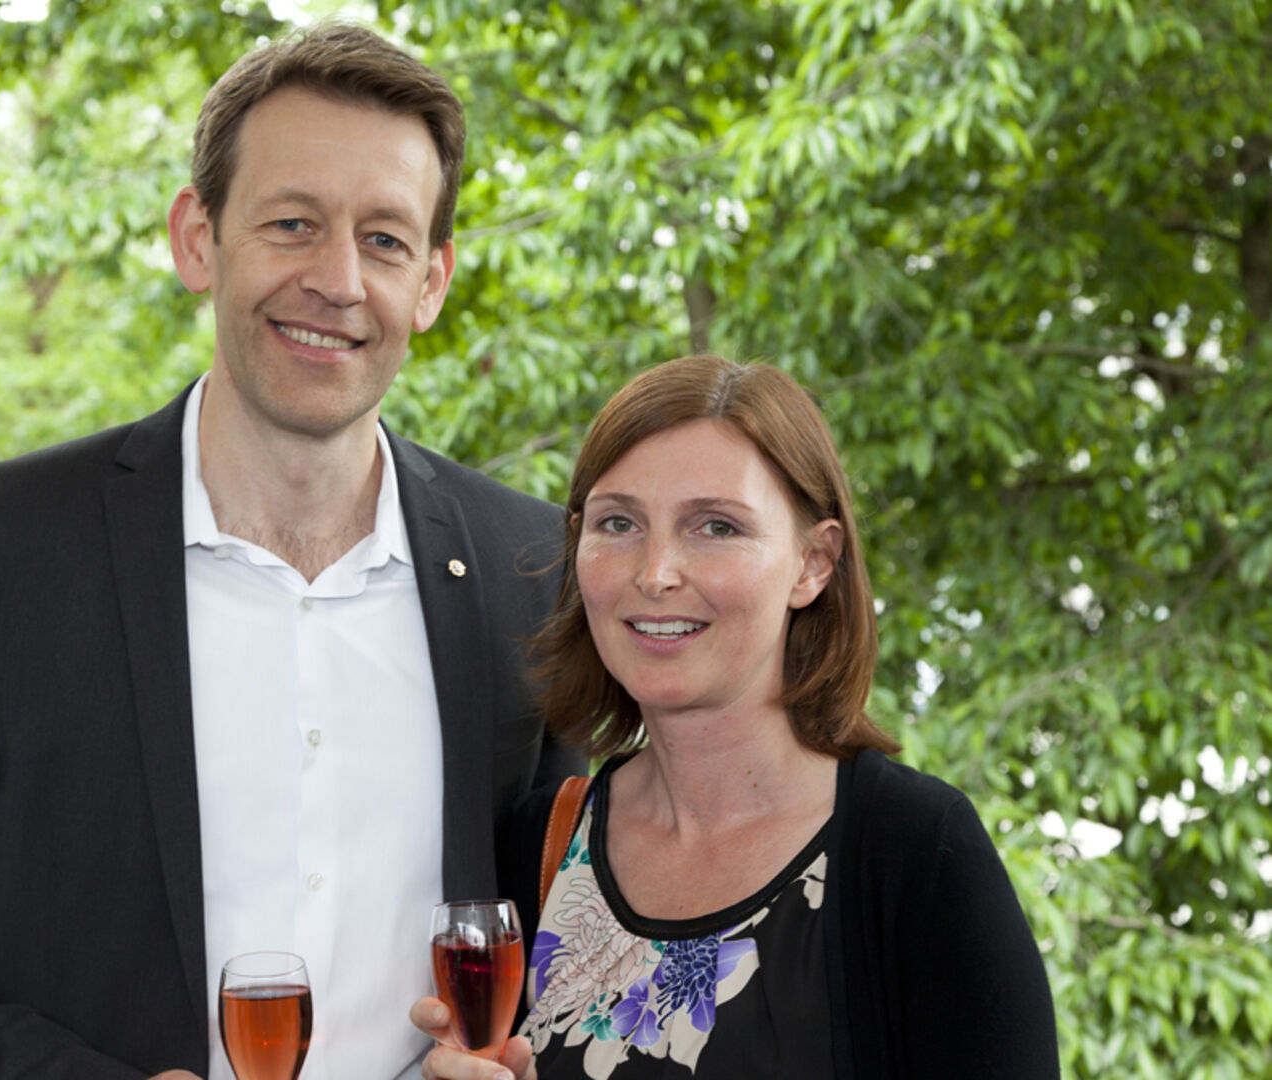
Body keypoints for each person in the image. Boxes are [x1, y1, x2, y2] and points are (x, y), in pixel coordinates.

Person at [0, 23, 581, 1080]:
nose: (338, 280)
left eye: (385, 240)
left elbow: (572, 942)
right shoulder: (2, 546)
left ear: (431, 282)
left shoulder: (530, 565)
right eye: (292, 224)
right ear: (197, 239)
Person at [412, 355, 1059, 1079]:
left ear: (813, 563)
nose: (655, 573)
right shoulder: (537, 845)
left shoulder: (915, 853)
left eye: (716, 527)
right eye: (618, 522)